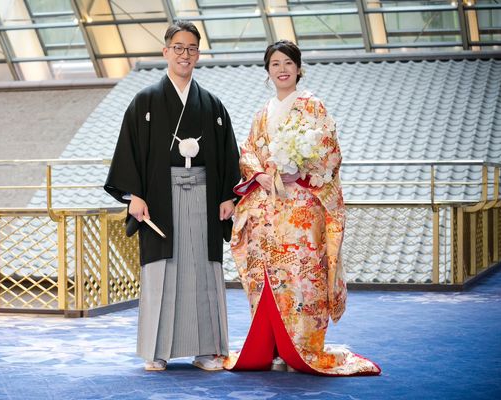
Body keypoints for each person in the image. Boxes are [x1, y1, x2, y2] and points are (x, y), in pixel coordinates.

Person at [226, 40, 380, 376]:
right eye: (275, 64)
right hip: (267, 208)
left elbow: (330, 152)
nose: (282, 69)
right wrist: (259, 174)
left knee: (302, 276)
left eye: (287, 63)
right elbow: (248, 151)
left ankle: (302, 347)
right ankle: (274, 347)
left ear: (298, 68)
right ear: (268, 72)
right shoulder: (262, 113)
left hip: (301, 208)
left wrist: (301, 171)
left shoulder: (313, 106)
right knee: (267, 275)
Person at [104, 20, 240, 372]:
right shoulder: (145, 101)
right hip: (159, 199)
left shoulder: (212, 105)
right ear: (166, 52)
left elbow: (228, 154)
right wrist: (133, 195)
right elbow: (130, 150)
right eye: (178, 47)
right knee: (161, 271)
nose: (185, 54)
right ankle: (157, 350)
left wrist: (228, 196)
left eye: (191, 48)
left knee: (203, 271)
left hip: (204, 197)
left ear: (198, 54)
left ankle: (206, 349)